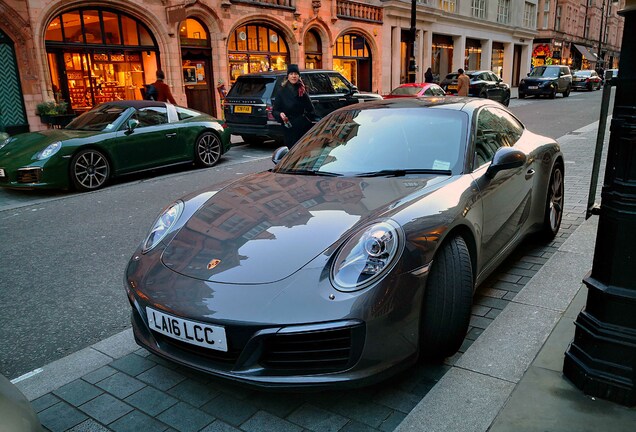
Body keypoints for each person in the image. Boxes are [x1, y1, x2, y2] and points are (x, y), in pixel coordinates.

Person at [272, 64, 316, 148]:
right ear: (288, 76)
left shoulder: (302, 90)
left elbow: (311, 109)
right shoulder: (281, 91)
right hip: (289, 127)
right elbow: (275, 111)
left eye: (296, 74)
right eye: (291, 74)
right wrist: (280, 114)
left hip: (302, 127)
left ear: (298, 76)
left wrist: (305, 120)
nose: (293, 76)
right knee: (292, 150)